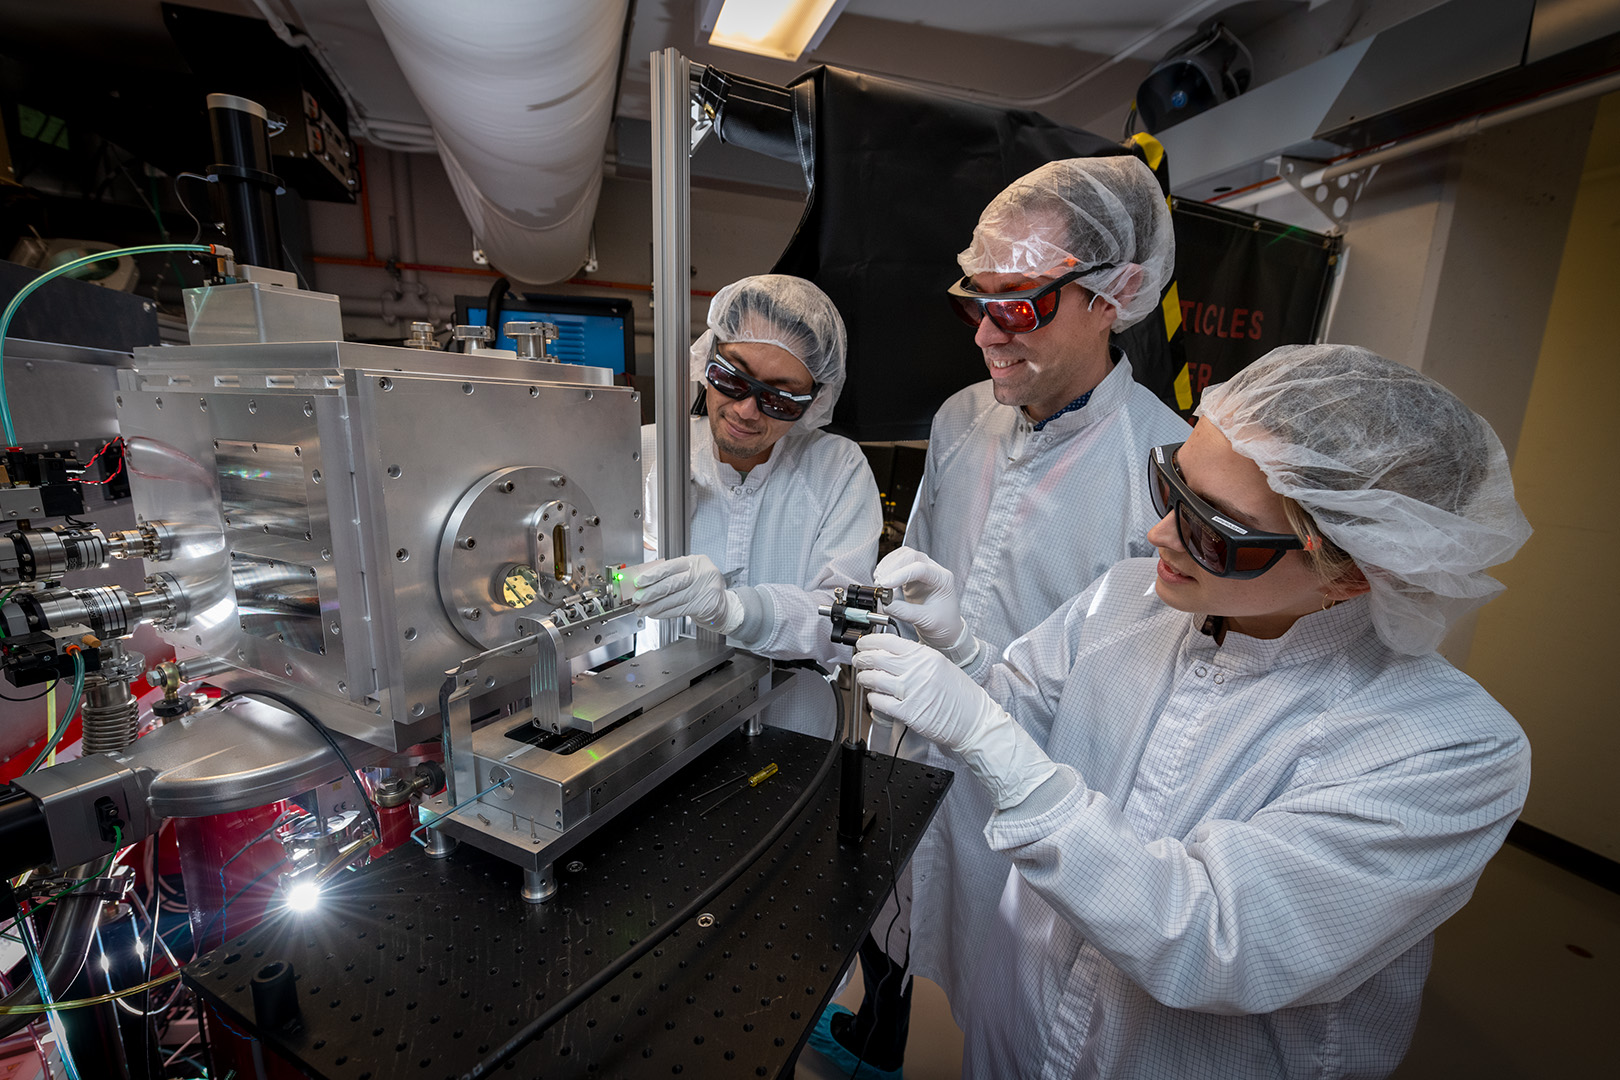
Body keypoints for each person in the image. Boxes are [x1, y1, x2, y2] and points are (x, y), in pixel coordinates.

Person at [853, 344, 1533, 1079]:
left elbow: (1215, 940)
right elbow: (1025, 712)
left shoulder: (1447, 749)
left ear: (1355, 574)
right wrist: (963, 653)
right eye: (1172, 482)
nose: (1161, 536)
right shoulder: (1128, 596)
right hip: (1017, 1025)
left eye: (1217, 531)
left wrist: (989, 739)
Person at [812, 155, 1190, 1076]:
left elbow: (1139, 693)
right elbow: (929, 567)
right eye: (973, 301)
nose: (986, 336)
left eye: (1018, 305)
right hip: (919, 742)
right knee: (897, 921)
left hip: (1045, 780)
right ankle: (878, 1029)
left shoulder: (1162, 462)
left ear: (1114, 293)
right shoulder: (959, 419)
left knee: (1007, 993)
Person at [630, 274, 881, 737]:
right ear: (705, 360)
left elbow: (845, 623)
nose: (746, 411)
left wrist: (736, 612)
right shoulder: (644, 451)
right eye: (732, 378)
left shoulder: (837, 471)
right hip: (654, 727)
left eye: (780, 399)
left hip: (794, 729)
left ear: (815, 400)